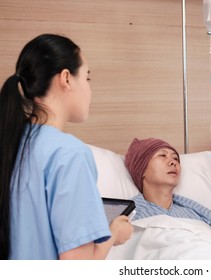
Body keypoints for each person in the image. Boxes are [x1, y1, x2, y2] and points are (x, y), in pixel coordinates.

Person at [0, 34, 133, 260]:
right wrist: (113, 234)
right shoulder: (69, 153)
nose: (89, 90)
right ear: (66, 79)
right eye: (87, 78)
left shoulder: (12, 141)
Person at [124, 137, 211, 260]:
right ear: (142, 170)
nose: (173, 162)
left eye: (176, 158)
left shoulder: (197, 211)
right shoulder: (127, 213)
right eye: (162, 155)